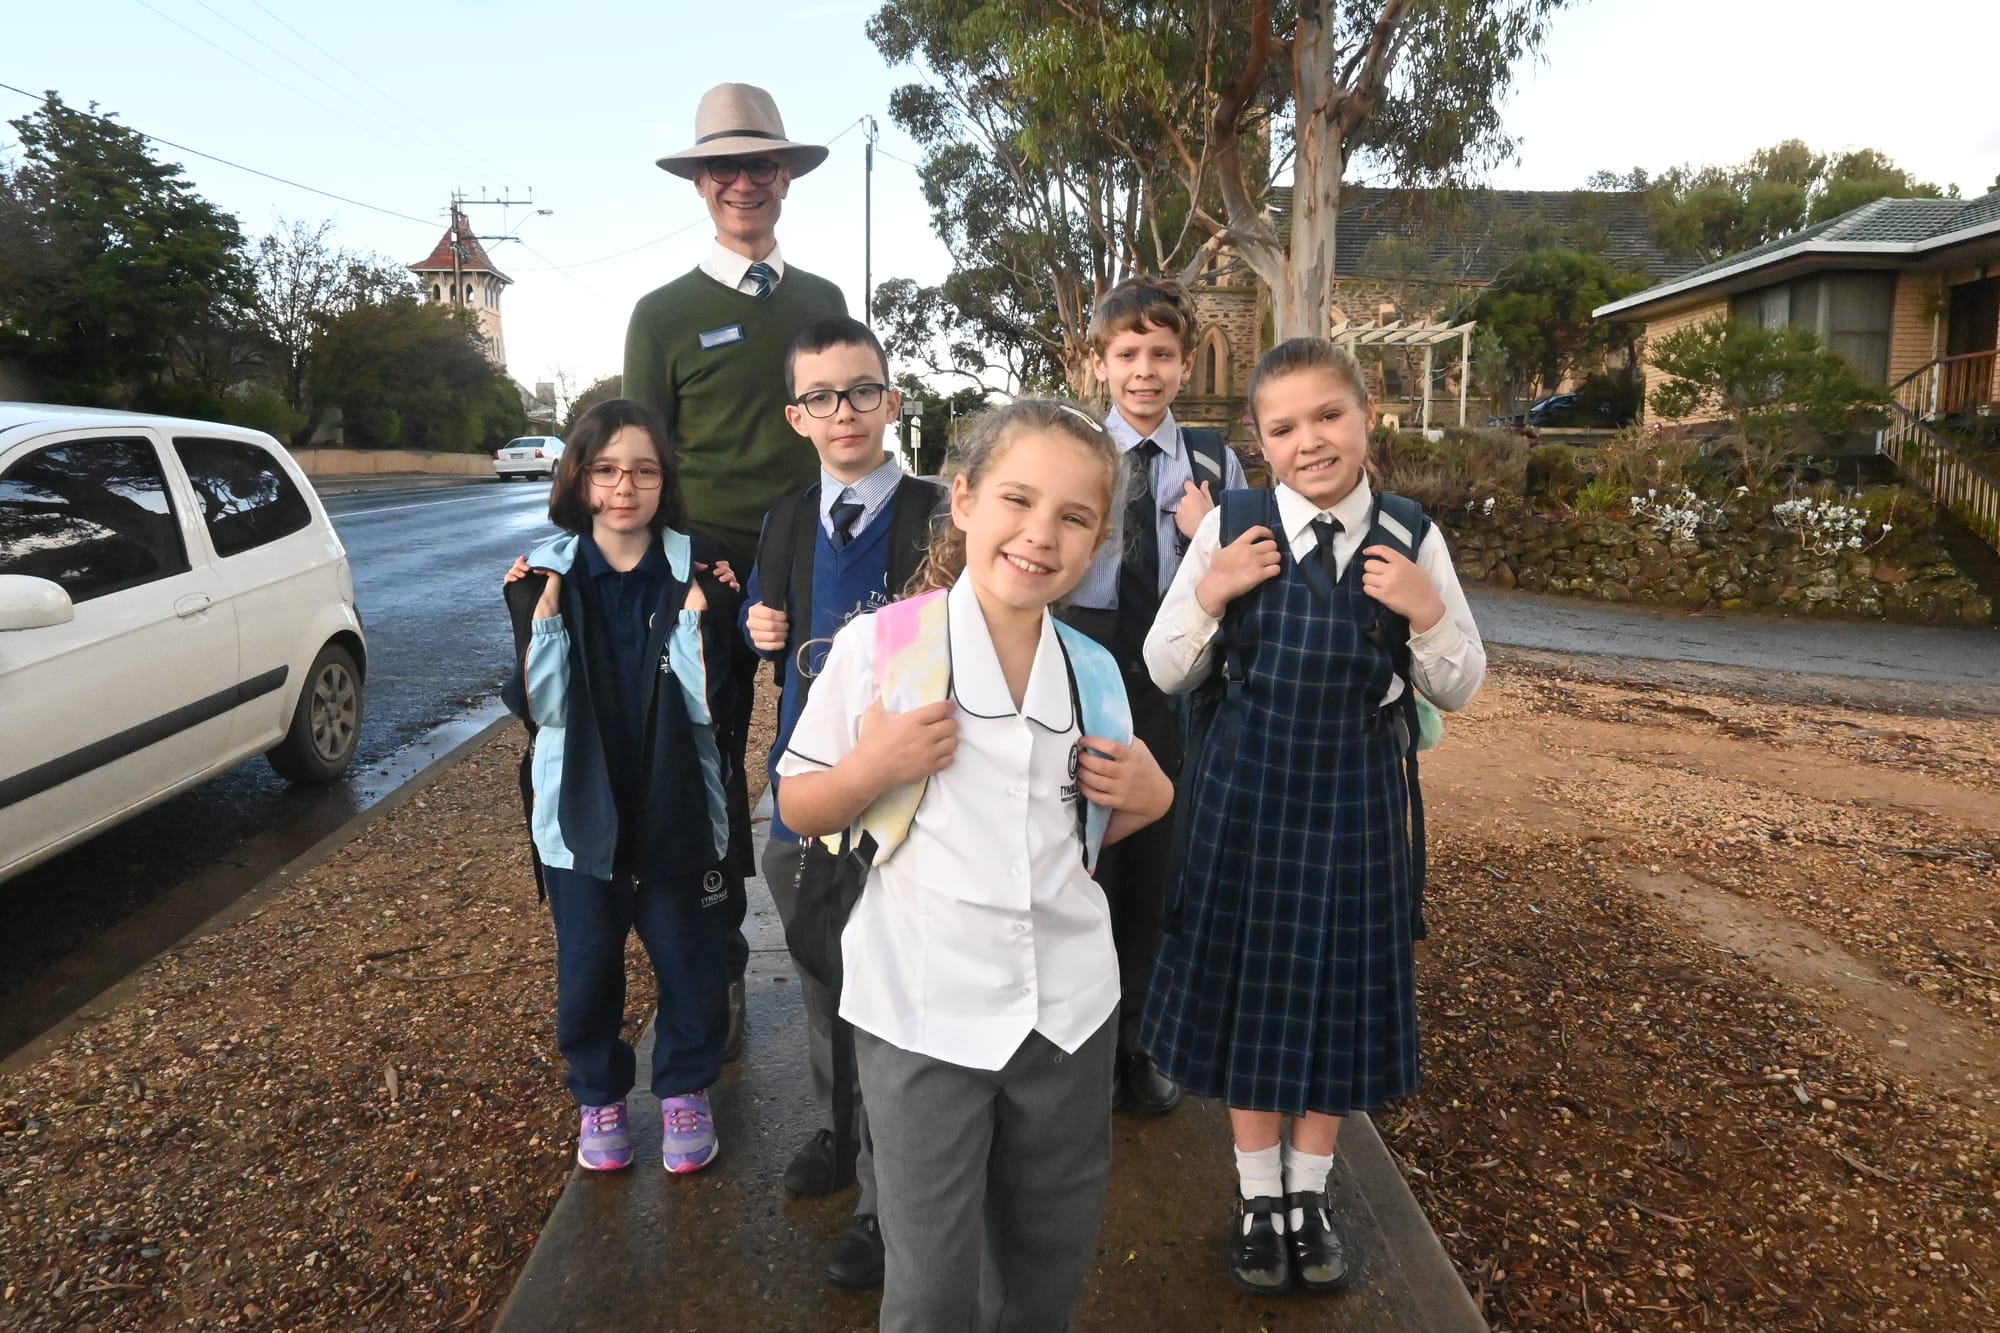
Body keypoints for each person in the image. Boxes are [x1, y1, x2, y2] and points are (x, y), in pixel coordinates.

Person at [776, 401, 1176, 1332]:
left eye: (1074, 517)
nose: (1041, 533)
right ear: (962, 500)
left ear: (1099, 541)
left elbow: (1079, 831)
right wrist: (871, 768)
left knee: (1047, 1255)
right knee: (928, 1274)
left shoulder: (1097, 673)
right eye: (1017, 499)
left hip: (1068, 1014)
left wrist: (1152, 802)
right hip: (923, 1012)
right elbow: (800, 805)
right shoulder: (883, 648)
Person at [1140, 338, 1486, 1296]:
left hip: (1359, 799)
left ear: (1368, 415)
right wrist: (1211, 592)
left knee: (1334, 992)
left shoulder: (1412, 534)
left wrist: (1427, 614)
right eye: (1284, 426)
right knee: (1255, 991)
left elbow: (1458, 686)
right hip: (1245, 793)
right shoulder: (1235, 527)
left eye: (1329, 416)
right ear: (1259, 439)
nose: (1311, 440)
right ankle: (1258, 1196)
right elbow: (1167, 664)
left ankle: (1311, 1193)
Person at [626, 82, 849, 1059]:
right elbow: (643, 459)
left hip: (812, 545)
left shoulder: (822, 303)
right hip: (706, 557)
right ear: (700, 184)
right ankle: (711, 961)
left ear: (787, 178)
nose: (744, 183)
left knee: (838, 739)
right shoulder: (661, 314)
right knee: (706, 762)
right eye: (725, 167)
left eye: (762, 165)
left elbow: (847, 426)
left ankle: (849, 934)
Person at [741, 316, 941, 1287]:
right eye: (821, 395)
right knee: (823, 981)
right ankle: (834, 1127)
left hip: (907, 804)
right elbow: (765, 628)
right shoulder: (783, 521)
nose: (843, 411)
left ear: (890, 401)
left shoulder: (940, 513)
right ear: (796, 415)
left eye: (861, 390)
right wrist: (754, 620)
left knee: (898, 1006)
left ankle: (882, 1200)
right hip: (807, 794)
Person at [501, 398, 744, 1177]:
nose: (623, 486)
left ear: (664, 478)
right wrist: (541, 627)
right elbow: (541, 709)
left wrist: (705, 626)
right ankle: (598, 1096)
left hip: (676, 805)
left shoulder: (704, 569)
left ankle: (683, 1090)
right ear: (578, 477)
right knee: (587, 965)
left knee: (690, 961)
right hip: (581, 814)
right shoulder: (540, 576)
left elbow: (720, 703)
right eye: (605, 469)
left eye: (642, 469)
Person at [1057, 277, 1249, 1116]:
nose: (1145, 371)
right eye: (1127, 354)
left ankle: (1143, 1037)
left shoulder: (1214, 460)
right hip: (1078, 659)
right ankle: (1075, 1043)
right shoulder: (1072, 448)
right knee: (1075, 850)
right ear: (1099, 364)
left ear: (1183, 362)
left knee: (1158, 861)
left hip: (1173, 670)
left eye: (1162, 354)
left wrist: (1204, 536)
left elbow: (1245, 576)